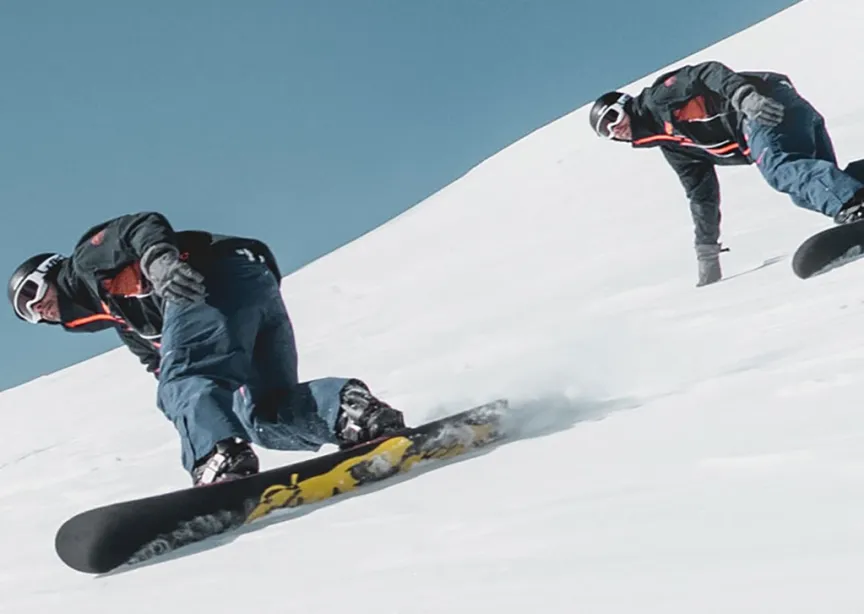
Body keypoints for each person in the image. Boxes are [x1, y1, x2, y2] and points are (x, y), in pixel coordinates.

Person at [7, 212, 406, 486]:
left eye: (31, 294)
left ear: (50, 273)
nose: (36, 310)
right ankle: (350, 413)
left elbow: (138, 225)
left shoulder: (83, 264)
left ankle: (217, 455)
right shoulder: (125, 321)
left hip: (211, 276)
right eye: (26, 315)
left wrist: (159, 261)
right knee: (263, 413)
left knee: (186, 379)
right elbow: (160, 363)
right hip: (254, 287)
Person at [588, 60, 864, 286]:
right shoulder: (675, 147)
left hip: (759, 105)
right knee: (811, 189)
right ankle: (857, 195)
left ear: (624, 104)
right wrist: (706, 251)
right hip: (779, 109)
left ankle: (856, 206)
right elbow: (701, 196)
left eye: (612, 117)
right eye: (606, 131)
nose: (615, 129)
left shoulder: (658, 100)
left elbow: (705, 73)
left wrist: (744, 97)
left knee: (780, 169)